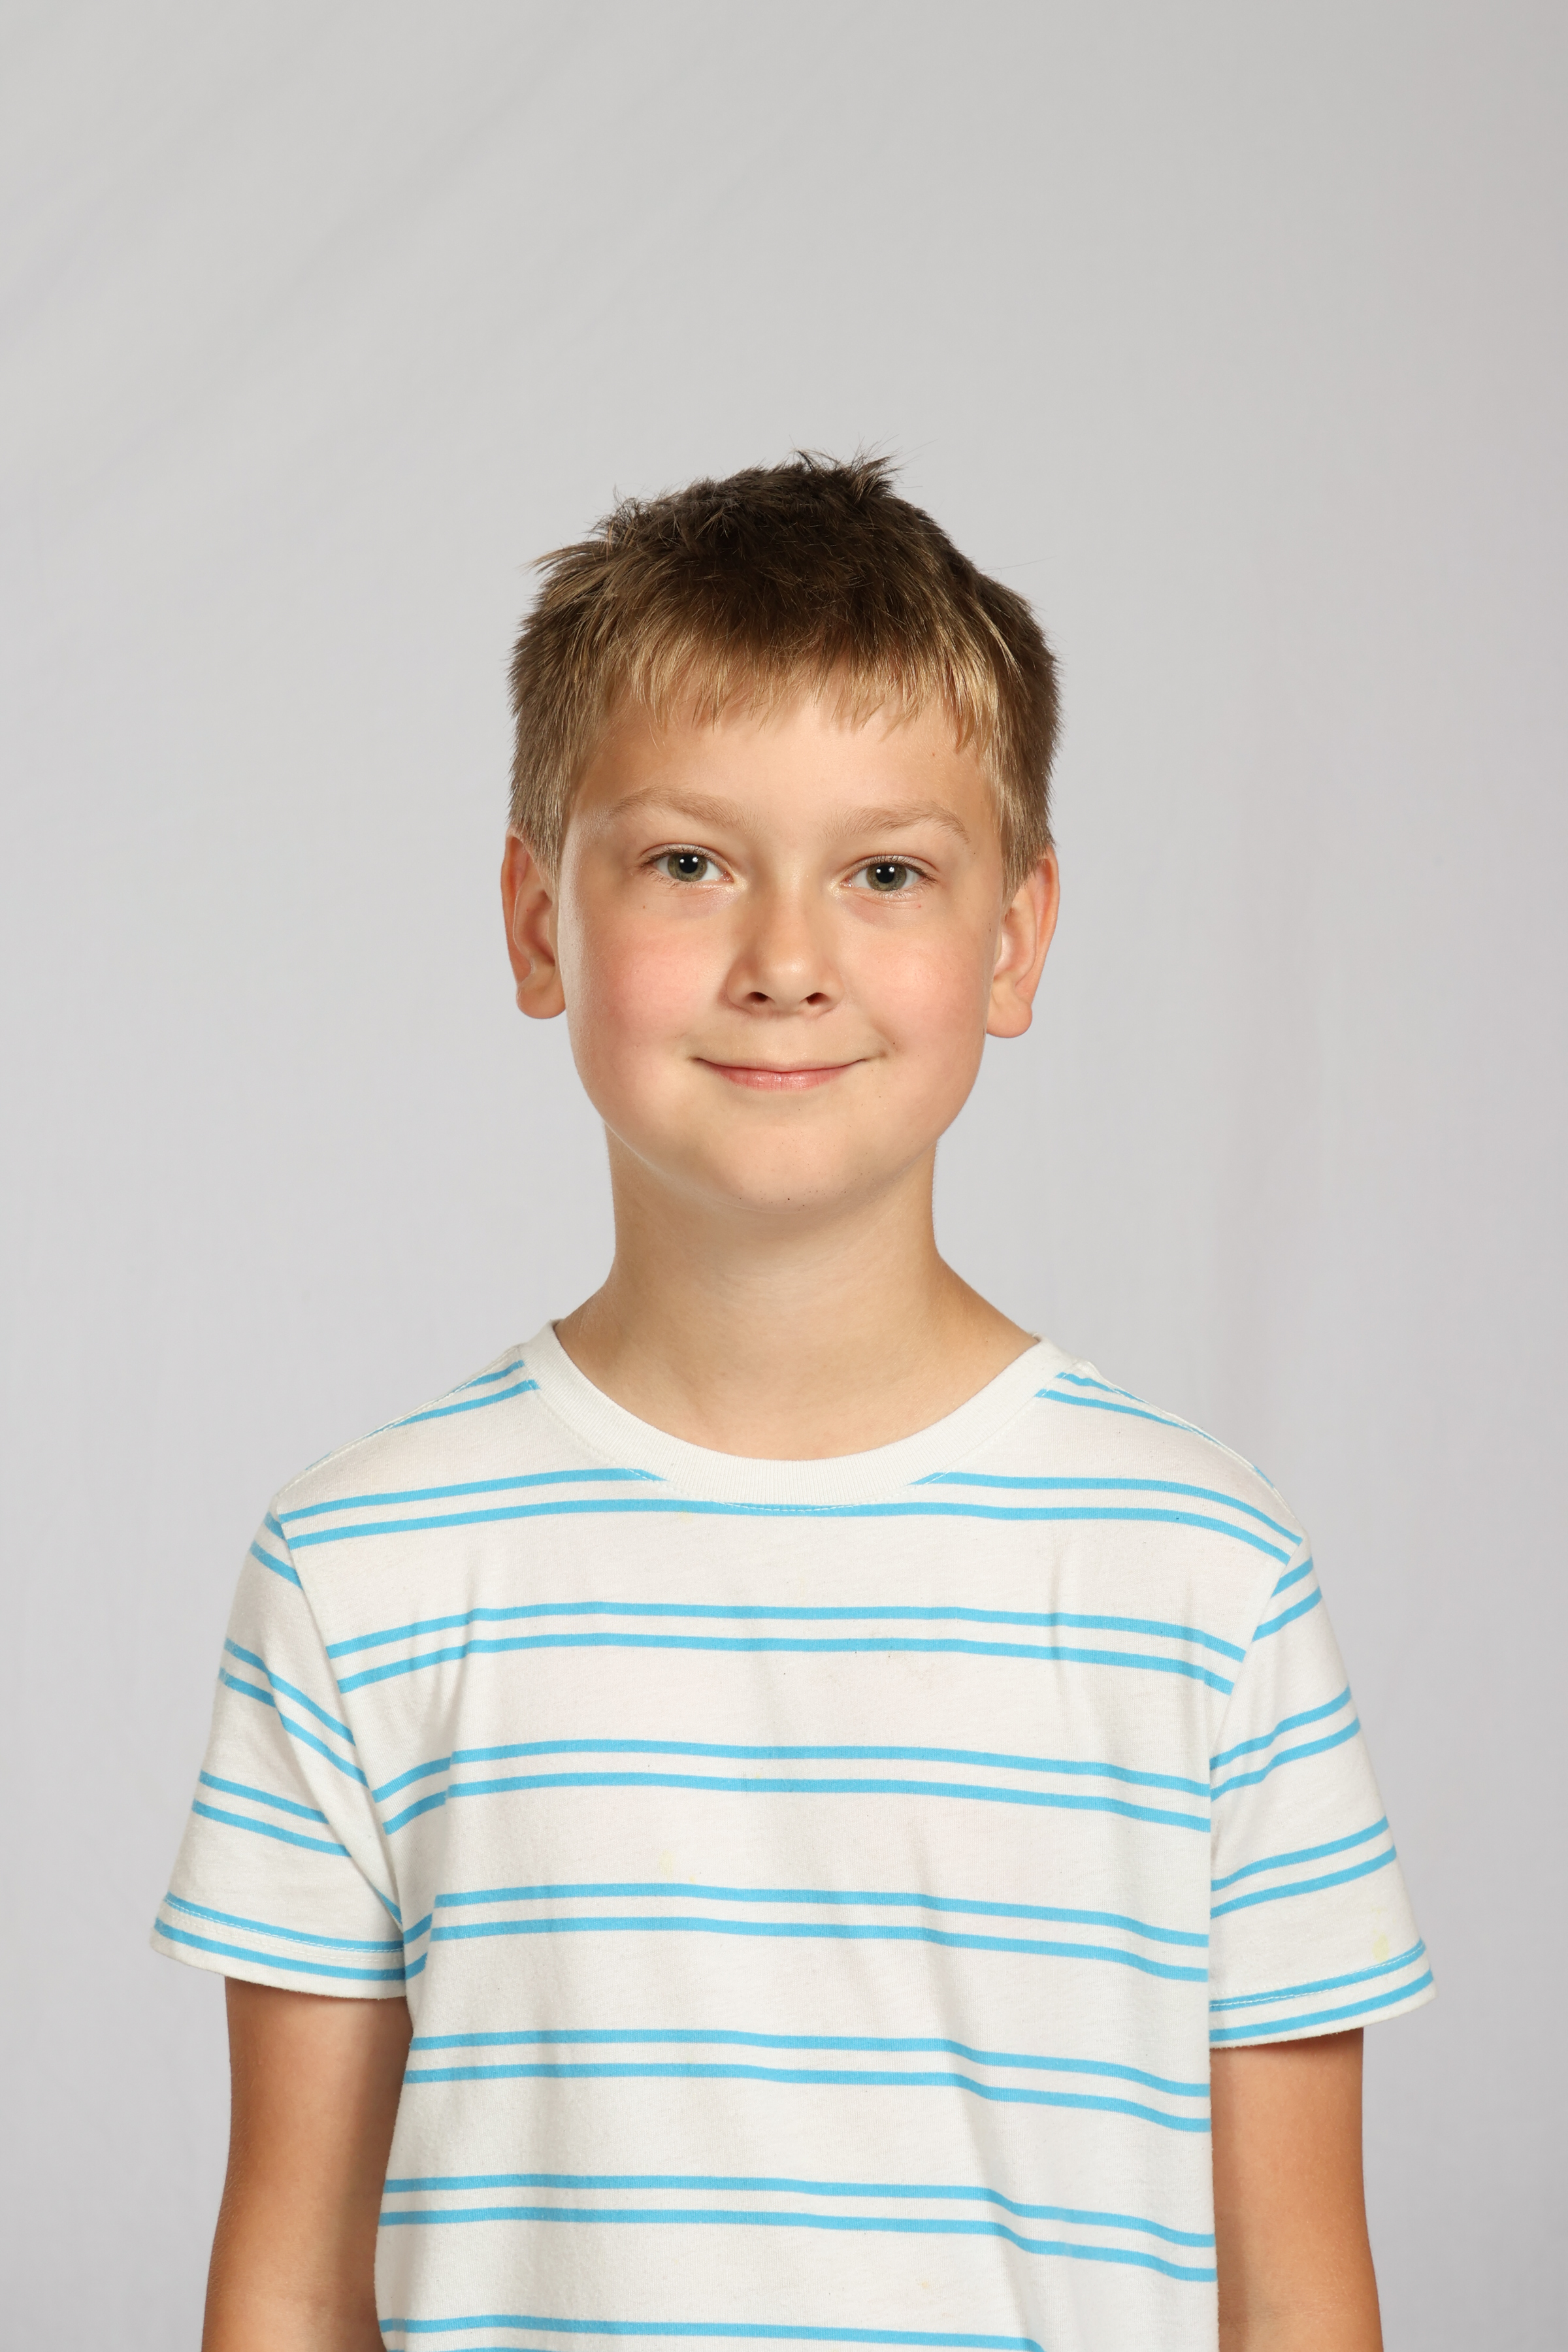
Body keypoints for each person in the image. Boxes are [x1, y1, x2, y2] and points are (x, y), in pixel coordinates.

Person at [155, 454, 1433, 2352]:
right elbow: (286, 2278)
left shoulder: (1201, 1574)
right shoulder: (363, 1572)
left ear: (1014, 939)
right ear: (538, 920)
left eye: (885, 873)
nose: (784, 965)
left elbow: (1302, 2289)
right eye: (689, 863)